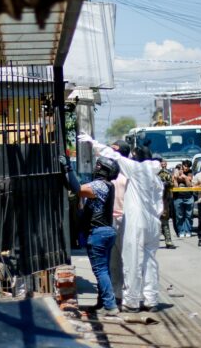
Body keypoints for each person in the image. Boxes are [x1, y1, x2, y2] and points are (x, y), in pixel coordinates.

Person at [78, 133, 163, 313]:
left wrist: (93, 142)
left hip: (136, 221)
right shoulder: (157, 177)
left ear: (137, 158)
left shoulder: (136, 169)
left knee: (132, 261)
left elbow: (113, 155)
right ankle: (151, 300)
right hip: (154, 223)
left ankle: (132, 302)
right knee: (150, 262)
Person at [59, 154, 121, 316]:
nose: (96, 167)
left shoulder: (100, 185)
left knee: (100, 270)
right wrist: (66, 173)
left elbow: (78, 190)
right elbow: (74, 187)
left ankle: (110, 305)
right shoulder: (106, 185)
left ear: (105, 170)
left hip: (99, 233)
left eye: (99, 166)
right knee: (103, 270)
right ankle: (102, 303)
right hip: (106, 232)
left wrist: (68, 168)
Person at [109, 139, 130, 304]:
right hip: (110, 219)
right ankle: (117, 294)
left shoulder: (130, 172)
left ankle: (131, 294)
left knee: (128, 259)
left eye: (115, 151)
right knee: (113, 259)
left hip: (126, 219)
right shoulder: (110, 170)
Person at [155, 155, 176, 249]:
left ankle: (168, 241)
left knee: (164, 220)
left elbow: (172, 184)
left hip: (163, 199)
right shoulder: (150, 172)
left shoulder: (166, 173)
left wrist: (166, 184)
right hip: (152, 201)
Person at [172, 160, 194, 238]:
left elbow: (189, 185)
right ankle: (181, 231)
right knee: (179, 216)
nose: (186, 168)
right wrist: (176, 177)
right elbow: (176, 185)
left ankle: (188, 231)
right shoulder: (176, 170)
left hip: (188, 197)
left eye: (188, 167)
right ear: (182, 166)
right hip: (178, 197)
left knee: (189, 215)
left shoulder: (190, 172)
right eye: (185, 166)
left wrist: (184, 177)